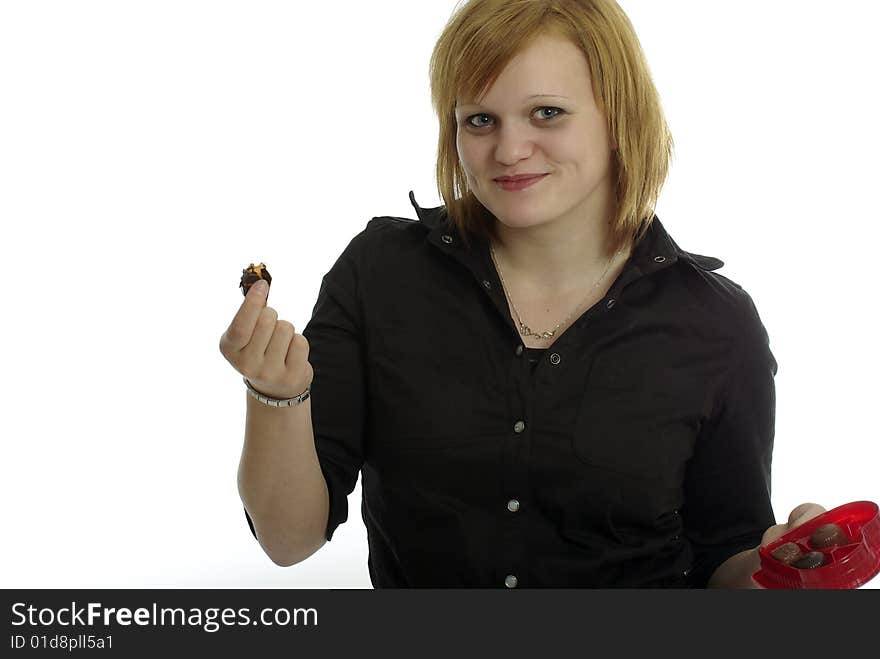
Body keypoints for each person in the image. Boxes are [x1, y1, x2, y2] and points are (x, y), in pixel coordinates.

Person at [220, 0, 826, 588]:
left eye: (547, 113)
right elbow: (288, 541)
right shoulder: (379, 274)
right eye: (480, 120)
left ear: (620, 116)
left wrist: (785, 570)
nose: (508, 151)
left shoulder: (716, 324)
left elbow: (727, 557)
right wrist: (278, 396)